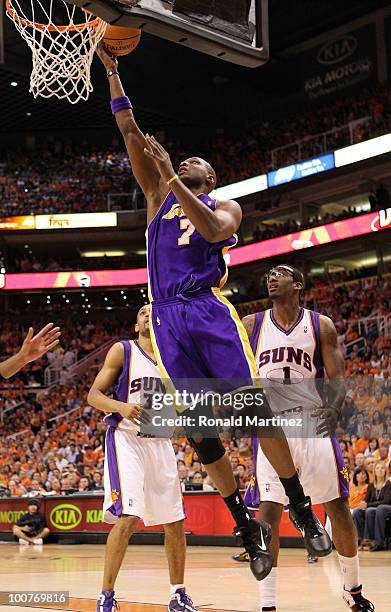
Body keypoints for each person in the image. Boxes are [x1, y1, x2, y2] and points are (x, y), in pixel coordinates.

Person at [97, 46, 331, 582]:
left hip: (206, 309)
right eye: (180, 163)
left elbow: (214, 231)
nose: (182, 163)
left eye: (192, 165)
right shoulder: (157, 193)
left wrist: (175, 180)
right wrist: (112, 71)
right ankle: (244, 525)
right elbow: (129, 129)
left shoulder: (225, 206)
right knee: (204, 433)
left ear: (210, 177)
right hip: (165, 316)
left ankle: (297, 505)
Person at [241, 265, 374, 612]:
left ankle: (353, 591)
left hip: (311, 424)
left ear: (297, 284)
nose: (270, 277)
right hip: (271, 427)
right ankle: (267, 604)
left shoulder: (320, 325)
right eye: (268, 274)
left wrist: (334, 408)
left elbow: (337, 376)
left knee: (338, 508)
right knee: (267, 513)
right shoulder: (252, 324)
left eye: (280, 273)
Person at [88, 305, 197, 612]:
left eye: (152, 311)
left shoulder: (174, 359)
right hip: (126, 439)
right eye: (141, 312)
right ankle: (106, 595)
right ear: (136, 325)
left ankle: (178, 594)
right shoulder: (123, 350)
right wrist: (121, 407)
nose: (148, 314)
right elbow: (93, 395)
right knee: (129, 517)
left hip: (160, 442)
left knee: (175, 521)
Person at [352, 462, 391, 551]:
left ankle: (378, 542)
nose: (380, 470)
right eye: (377, 468)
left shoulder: (389, 484)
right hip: (374, 509)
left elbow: (386, 501)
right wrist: (362, 504)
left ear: (385, 471)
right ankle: (362, 540)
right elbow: (366, 500)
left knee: (374, 509)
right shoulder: (371, 485)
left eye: (382, 468)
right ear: (374, 471)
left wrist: (368, 505)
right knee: (357, 511)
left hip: (387, 508)